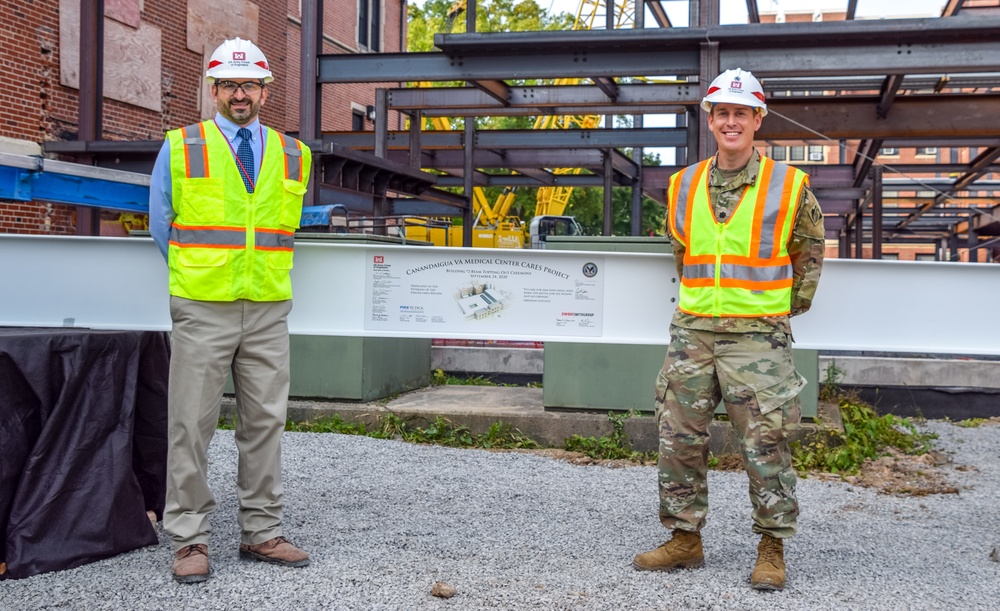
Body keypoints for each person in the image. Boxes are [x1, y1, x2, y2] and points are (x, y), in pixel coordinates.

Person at [632, 68, 825, 591]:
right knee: (678, 440)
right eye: (723, 113)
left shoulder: (789, 184)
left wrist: (782, 313)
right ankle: (684, 540)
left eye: (742, 112)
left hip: (757, 336)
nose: (732, 121)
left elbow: (809, 254)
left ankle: (771, 547)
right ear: (710, 119)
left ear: (758, 119)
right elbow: (681, 251)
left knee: (765, 443)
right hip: (693, 331)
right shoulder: (684, 183)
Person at [149, 37, 313, 584]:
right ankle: (189, 538)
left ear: (265, 90)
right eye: (227, 84)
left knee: (265, 421)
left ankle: (262, 532)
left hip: (267, 307)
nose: (238, 94)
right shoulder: (181, 145)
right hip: (203, 306)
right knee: (190, 425)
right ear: (213, 88)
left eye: (248, 84)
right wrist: (198, 277)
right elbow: (161, 225)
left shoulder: (294, 154)